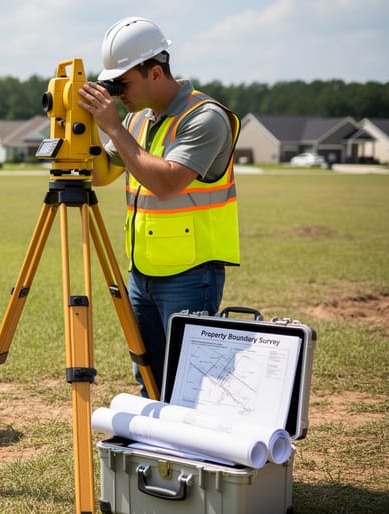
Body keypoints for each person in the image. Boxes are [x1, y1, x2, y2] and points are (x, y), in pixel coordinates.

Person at [77, 17, 241, 397]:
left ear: (155, 72)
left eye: (124, 83)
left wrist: (113, 127)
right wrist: (80, 130)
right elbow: (102, 175)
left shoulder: (205, 117)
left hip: (190, 274)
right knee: (149, 378)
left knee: (190, 384)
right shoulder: (137, 119)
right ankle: (156, 454)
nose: (118, 94)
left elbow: (166, 183)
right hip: (142, 272)